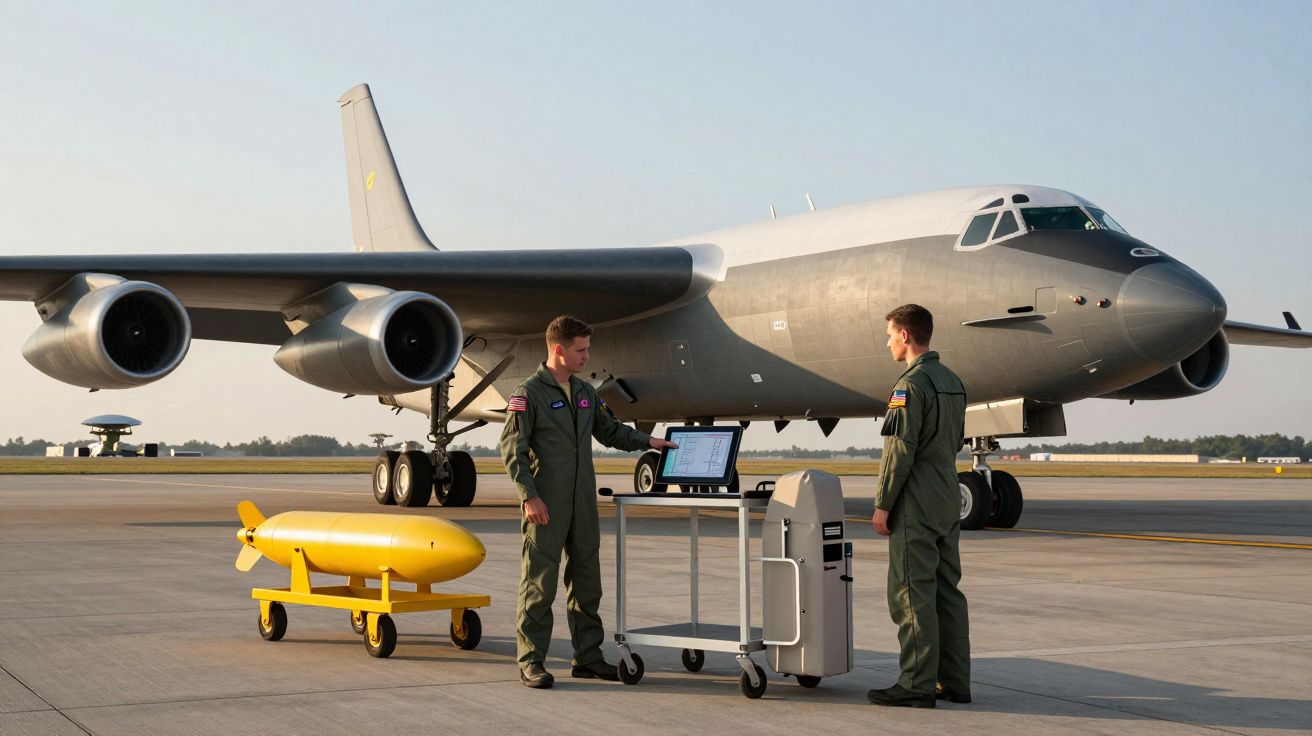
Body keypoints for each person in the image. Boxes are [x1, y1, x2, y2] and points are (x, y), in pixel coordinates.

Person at [499, 315, 677, 689]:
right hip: (546, 503)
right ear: (559, 350)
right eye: (580, 350)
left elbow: (609, 431)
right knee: (539, 585)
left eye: (588, 349)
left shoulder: (584, 392)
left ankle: (588, 658)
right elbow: (512, 450)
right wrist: (528, 496)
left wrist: (649, 442)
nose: (586, 356)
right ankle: (531, 661)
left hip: (583, 503)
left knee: (586, 583)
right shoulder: (527, 394)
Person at [867, 304, 971, 709]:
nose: (888, 341)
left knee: (911, 594)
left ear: (906, 336)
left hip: (917, 499)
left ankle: (916, 683)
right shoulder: (952, 380)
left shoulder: (909, 386)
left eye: (890, 333)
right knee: (948, 592)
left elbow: (899, 450)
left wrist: (883, 503)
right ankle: (956, 682)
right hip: (948, 493)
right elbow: (956, 440)